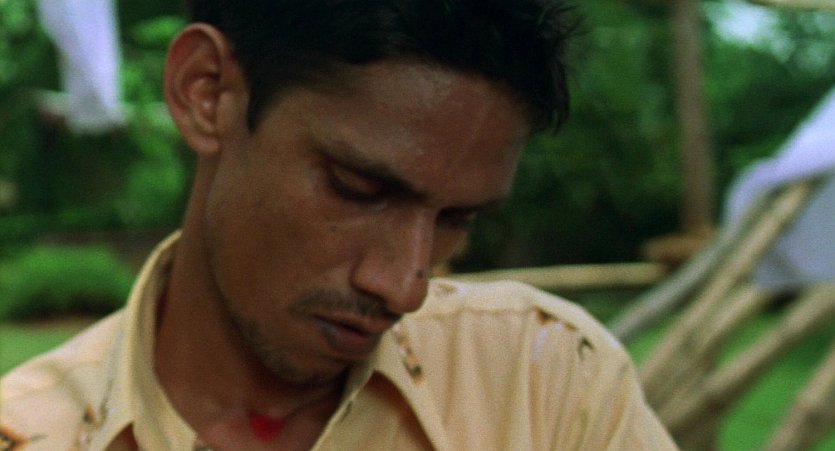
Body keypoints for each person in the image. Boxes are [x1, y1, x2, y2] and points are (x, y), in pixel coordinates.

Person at [0, 1, 678, 449]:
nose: (405, 285)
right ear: (207, 92)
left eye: (456, 218)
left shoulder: (546, 389)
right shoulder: (31, 434)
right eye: (360, 189)